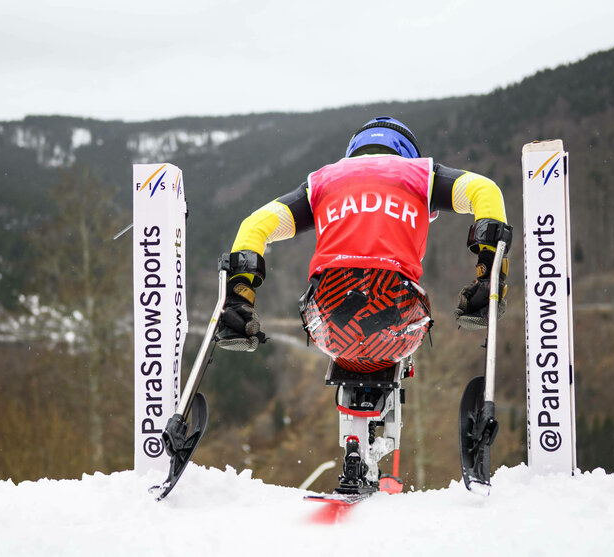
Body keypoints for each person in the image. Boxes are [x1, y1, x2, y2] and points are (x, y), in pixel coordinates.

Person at [215, 116, 512, 491]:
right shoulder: (420, 174)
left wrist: (241, 298)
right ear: (405, 150)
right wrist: (488, 275)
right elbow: (485, 191)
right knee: (402, 320)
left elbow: (255, 224)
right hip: (397, 313)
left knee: (345, 337)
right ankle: (381, 440)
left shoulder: (322, 181)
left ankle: (352, 443)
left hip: (327, 317)